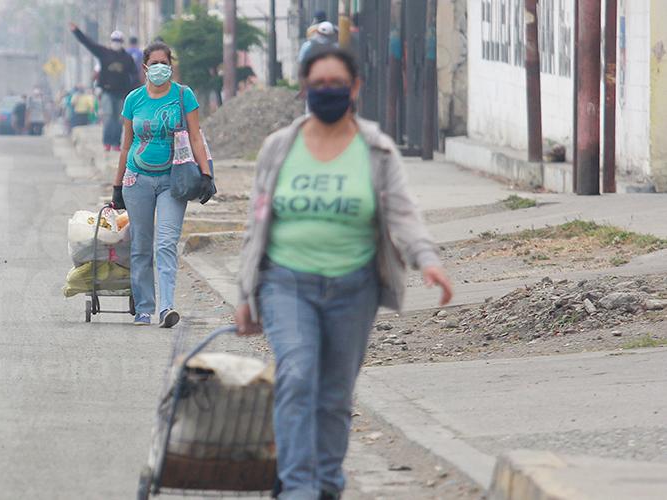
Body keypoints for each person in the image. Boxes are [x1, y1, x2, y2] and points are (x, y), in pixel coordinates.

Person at [234, 47, 453, 500]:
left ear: (355, 88)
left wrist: (427, 259)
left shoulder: (375, 149)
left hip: (355, 288)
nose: (327, 92)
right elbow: (256, 223)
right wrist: (245, 293)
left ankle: (327, 484)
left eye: (337, 84)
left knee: (334, 394)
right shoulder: (279, 147)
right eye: (318, 85)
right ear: (304, 88)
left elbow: (402, 213)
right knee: (296, 375)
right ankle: (297, 487)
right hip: (285, 283)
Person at [112, 41, 213, 328]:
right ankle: (144, 307)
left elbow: (196, 137)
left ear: (171, 65)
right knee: (142, 245)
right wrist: (117, 185)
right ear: (145, 68)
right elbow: (125, 145)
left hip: (175, 180)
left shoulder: (184, 96)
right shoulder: (134, 99)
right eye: (153, 64)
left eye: (164, 63)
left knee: (166, 243)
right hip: (137, 179)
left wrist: (206, 175)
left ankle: (167, 308)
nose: (159, 68)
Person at [69, 23, 141, 152]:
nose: (116, 43)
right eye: (114, 40)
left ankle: (116, 143)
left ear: (122, 42)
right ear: (111, 41)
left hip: (122, 93)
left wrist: (132, 91)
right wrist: (76, 32)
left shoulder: (127, 58)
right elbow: (89, 44)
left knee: (119, 120)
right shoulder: (104, 53)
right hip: (107, 91)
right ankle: (107, 143)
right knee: (108, 117)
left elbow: (135, 75)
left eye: (118, 41)